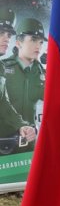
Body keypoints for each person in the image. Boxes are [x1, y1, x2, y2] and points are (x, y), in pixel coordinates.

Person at [0, 9, 36, 153]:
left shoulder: (1, 67)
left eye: (9, 34)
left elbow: (3, 103)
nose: (6, 38)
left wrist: (21, 125)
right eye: (1, 32)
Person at [2, 18, 47, 129]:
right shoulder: (3, 67)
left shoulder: (43, 73)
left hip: (30, 140)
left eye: (41, 42)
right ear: (18, 42)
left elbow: (56, 101)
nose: (38, 46)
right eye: (33, 40)